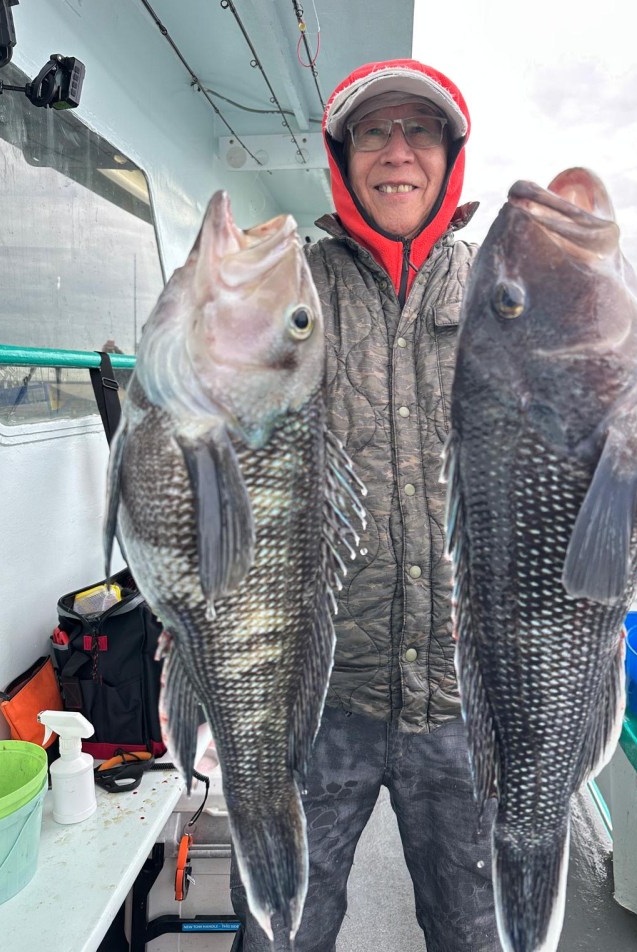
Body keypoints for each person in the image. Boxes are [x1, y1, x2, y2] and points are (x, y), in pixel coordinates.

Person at [231, 59, 502, 952]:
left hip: (464, 703)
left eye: (419, 131)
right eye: (375, 132)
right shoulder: (290, 290)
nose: (397, 153)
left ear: (450, 156)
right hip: (314, 701)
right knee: (282, 932)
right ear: (342, 157)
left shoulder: (500, 297)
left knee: (473, 931)